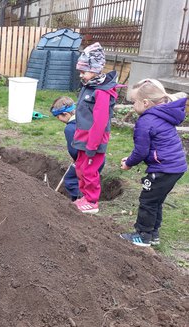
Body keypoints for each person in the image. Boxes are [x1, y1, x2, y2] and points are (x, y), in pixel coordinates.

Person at [119, 79, 187, 247]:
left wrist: (129, 163)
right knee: (156, 200)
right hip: (175, 166)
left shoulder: (145, 121)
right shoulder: (162, 114)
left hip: (163, 168)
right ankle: (153, 234)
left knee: (148, 201)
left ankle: (142, 235)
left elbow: (141, 151)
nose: (133, 105)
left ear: (145, 102)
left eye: (134, 101)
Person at [72, 42, 120, 214]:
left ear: (96, 69)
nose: (81, 75)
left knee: (90, 170)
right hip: (82, 138)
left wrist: (92, 145)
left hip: (94, 141)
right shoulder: (88, 87)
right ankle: (84, 196)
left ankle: (92, 201)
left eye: (84, 71)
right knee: (80, 167)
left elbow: (99, 122)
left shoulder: (101, 92)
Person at [51, 96, 105, 201]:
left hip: (85, 159)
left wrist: (76, 159)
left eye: (58, 117)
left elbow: (74, 149)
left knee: (71, 180)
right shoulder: (87, 119)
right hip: (99, 156)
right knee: (88, 180)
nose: (59, 120)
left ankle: (80, 201)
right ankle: (87, 199)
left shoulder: (70, 128)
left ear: (66, 114)